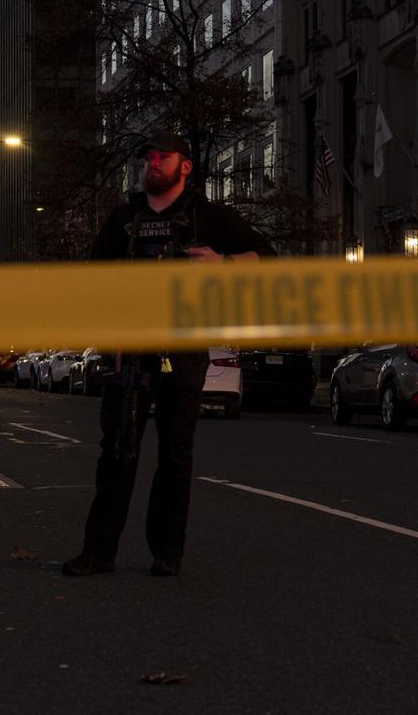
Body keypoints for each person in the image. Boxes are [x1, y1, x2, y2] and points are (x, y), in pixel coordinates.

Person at [62, 131, 275, 578]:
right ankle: (99, 552)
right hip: (129, 351)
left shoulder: (209, 216)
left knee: (176, 453)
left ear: (185, 166)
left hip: (183, 347)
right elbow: (90, 282)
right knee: (117, 450)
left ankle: (167, 553)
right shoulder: (123, 219)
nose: (153, 163)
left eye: (163, 157)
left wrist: (225, 264)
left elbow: (268, 257)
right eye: (148, 158)